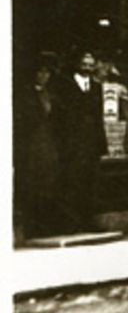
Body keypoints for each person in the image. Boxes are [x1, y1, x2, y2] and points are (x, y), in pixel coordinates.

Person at [53, 50, 109, 233]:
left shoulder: (96, 86)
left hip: (91, 143)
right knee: (71, 181)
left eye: (91, 65)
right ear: (77, 64)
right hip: (71, 143)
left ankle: (89, 220)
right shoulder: (64, 84)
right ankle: (70, 222)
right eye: (84, 64)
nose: (87, 68)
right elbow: (59, 116)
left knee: (90, 183)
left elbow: (99, 116)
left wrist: (101, 143)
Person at [15, 54, 64, 238]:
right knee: (33, 183)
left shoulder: (51, 95)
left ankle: (47, 224)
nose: (44, 76)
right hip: (33, 144)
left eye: (47, 72)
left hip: (49, 143)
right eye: (40, 72)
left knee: (50, 181)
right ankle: (33, 226)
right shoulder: (25, 95)